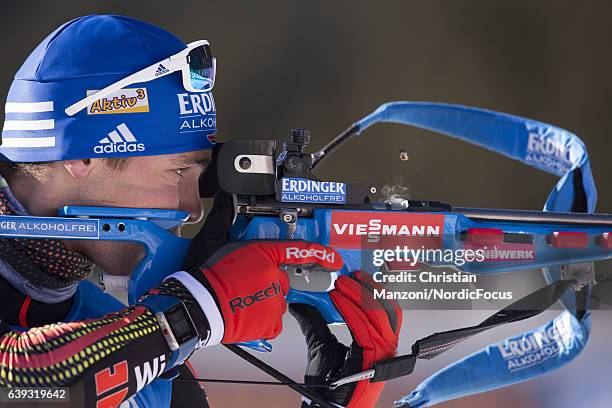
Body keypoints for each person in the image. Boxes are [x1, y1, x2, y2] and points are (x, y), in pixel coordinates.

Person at [0, 15, 401, 407]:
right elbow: (24, 384)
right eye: (177, 171)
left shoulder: (121, 334)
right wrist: (193, 313)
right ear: (82, 157)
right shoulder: (143, 337)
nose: (193, 209)